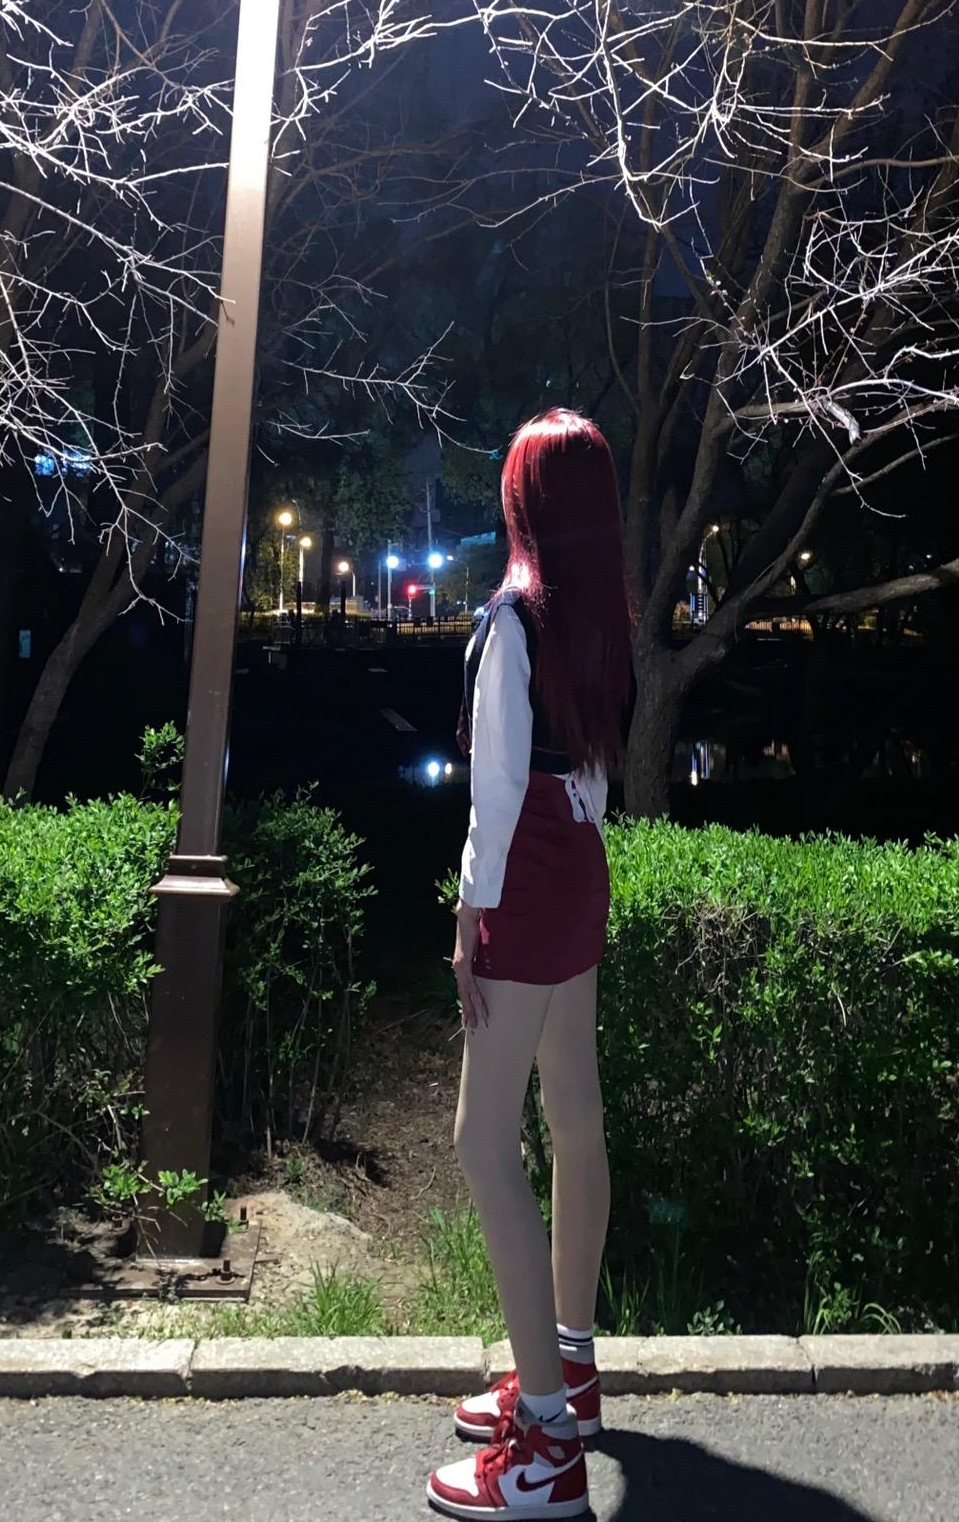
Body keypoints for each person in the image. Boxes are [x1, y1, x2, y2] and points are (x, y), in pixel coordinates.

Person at [426, 409, 634, 1520]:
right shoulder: (600, 618)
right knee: (575, 1116)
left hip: (528, 871)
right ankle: (570, 1369)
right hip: (582, 858)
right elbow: (590, 773)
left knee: (481, 1139)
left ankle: (546, 1440)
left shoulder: (513, 619)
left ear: (523, 503)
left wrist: (472, 913)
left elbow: (496, 788)